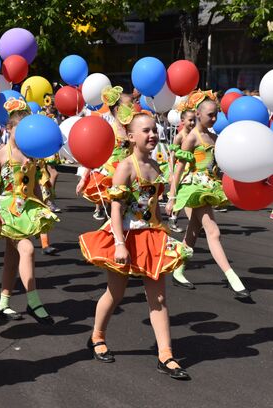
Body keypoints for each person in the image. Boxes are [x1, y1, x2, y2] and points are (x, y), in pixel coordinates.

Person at [79, 106, 192, 380]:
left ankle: (165, 354)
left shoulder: (155, 165)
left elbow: (150, 203)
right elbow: (116, 209)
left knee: (159, 297)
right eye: (146, 131)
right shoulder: (126, 168)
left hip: (151, 236)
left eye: (155, 130)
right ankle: (97, 336)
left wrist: (168, 204)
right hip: (125, 237)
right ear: (130, 136)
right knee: (115, 293)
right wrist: (119, 243)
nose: (153, 134)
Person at [0, 97, 59, 324]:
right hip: (7, 210)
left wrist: (42, 208)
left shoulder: (32, 155)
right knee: (27, 250)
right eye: (20, 131)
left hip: (26, 210)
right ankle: (33, 300)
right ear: (8, 129)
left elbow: (35, 186)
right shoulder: (0, 155)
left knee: (12, 257)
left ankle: (4, 303)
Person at [166, 90, 250, 299]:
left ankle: (178, 270)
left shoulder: (215, 137)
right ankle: (232, 279)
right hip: (195, 188)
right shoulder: (191, 138)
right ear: (198, 114)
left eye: (216, 114)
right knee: (213, 232)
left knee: (193, 232)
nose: (214, 118)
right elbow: (178, 168)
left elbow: (222, 165)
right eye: (210, 114)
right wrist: (172, 196)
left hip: (210, 186)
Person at [77, 86, 134, 220]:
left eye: (132, 106)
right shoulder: (108, 131)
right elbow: (95, 154)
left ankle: (116, 236)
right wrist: (84, 178)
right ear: (118, 109)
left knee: (125, 213)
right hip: (111, 175)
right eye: (128, 106)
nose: (132, 109)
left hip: (129, 176)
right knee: (116, 210)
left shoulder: (133, 130)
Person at [166, 109, 196, 233]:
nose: (193, 123)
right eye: (190, 120)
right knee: (179, 196)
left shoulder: (195, 134)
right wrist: (172, 173)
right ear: (182, 121)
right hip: (180, 169)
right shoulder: (179, 136)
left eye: (195, 120)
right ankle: (173, 219)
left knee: (186, 195)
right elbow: (172, 156)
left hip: (191, 168)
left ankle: (176, 219)